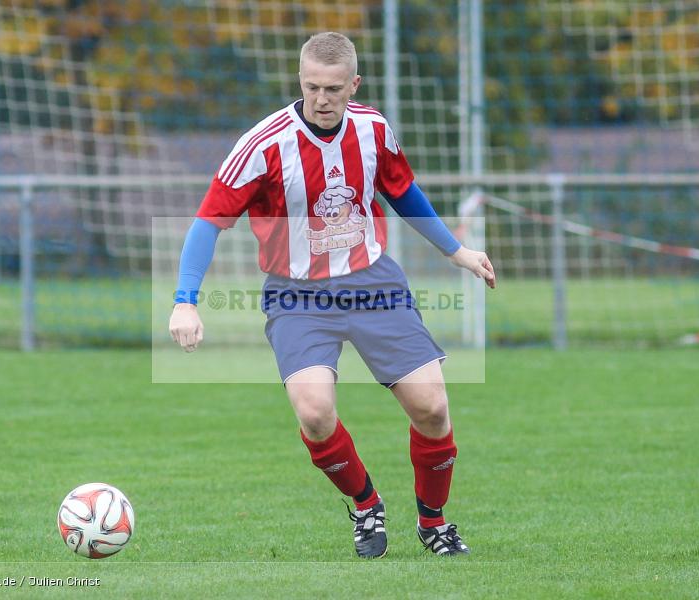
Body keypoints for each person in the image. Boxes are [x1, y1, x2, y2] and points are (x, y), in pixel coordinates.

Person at [169, 32, 495, 559]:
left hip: (373, 284)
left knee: (432, 407)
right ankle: (366, 506)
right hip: (297, 296)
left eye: (333, 88)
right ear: (300, 81)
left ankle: (433, 523)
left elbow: (401, 190)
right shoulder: (264, 144)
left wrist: (455, 250)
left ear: (354, 84)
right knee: (315, 412)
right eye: (311, 87)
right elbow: (208, 222)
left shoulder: (372, 129)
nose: (321, 98)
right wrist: (186, 300)